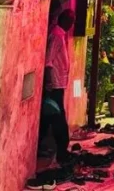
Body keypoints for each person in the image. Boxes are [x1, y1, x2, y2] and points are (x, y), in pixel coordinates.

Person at [41, 9, 75, 164]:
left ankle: (45, 144)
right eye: (71, 20)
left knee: (50, 115)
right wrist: (48, 83)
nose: (72, 24)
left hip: (60, 82)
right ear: (64, 20)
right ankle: (61, 148)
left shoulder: (61, 34)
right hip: (54, 84)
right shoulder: (56, 35)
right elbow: (48, 61)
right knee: (58, 116)